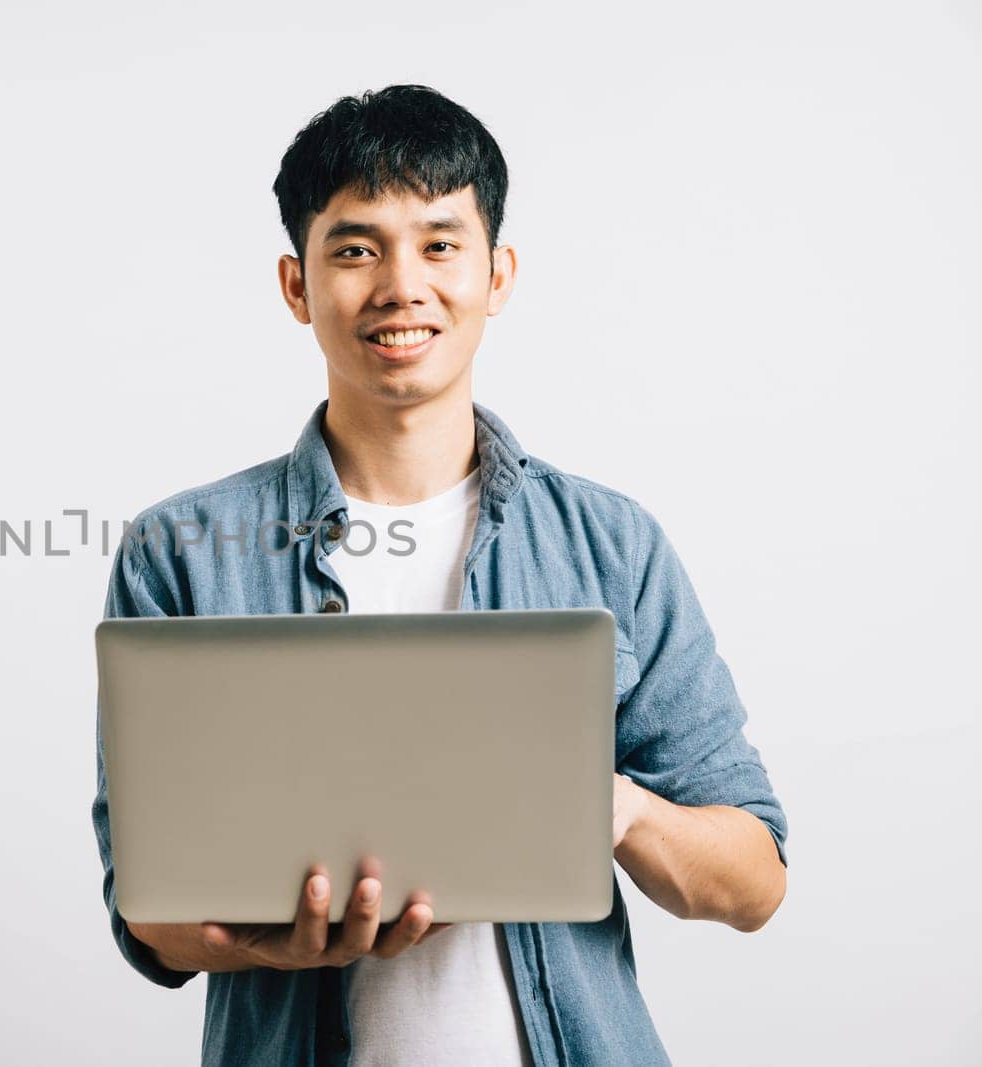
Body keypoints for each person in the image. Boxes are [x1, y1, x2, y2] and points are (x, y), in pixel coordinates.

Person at [90, 84, 788, 1066]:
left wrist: (611, 805)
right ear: (296, 285)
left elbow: (751, 880)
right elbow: (147, 906)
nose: (400, 285)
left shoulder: (610, 541)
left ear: (497, 273)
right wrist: (258, 942)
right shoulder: (181, 549)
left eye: (439, 243)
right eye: (355, 247)